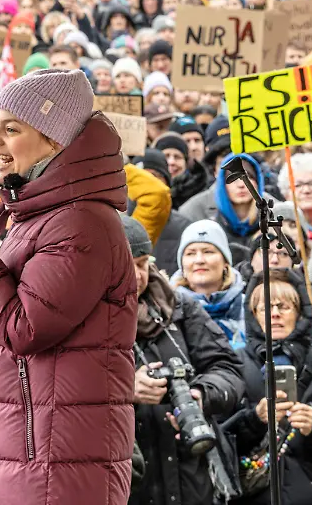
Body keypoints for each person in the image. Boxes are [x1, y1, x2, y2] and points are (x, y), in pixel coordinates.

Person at [0, 69, 137, 505]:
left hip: (57, 465)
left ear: (55, 141)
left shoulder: (79, 222)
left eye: (11, 129)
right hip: (33, 454)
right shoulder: (41, 213)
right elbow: (9, 300)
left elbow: (25, 326)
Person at [120, 216, 243, 505]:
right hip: (130, 479)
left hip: (193, 475)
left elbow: (227, 367)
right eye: (127, 265)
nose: (138, 276)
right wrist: (126, 389)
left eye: (142, 264)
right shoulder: (82, 320)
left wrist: (200, 395)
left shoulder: (178, 306)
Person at [223, 268, 312, 504]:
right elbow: (219, 441)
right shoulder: (234, 364)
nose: (274, 314)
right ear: (253, 315)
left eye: (284, 307)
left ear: (299, 313)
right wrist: (255, 419)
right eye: (266, 308)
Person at [172, 220, 249, 350]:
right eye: (190, 253)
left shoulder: (249, 307)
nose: (199, 260)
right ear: (182, 265)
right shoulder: (169, 311)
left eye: (208, 252)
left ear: (225, 261)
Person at [180, 152, 267, 247]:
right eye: (233, 179)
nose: (241, 185)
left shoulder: (273, 213)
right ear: (222, 184)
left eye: (249, 177)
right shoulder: (194, 211)